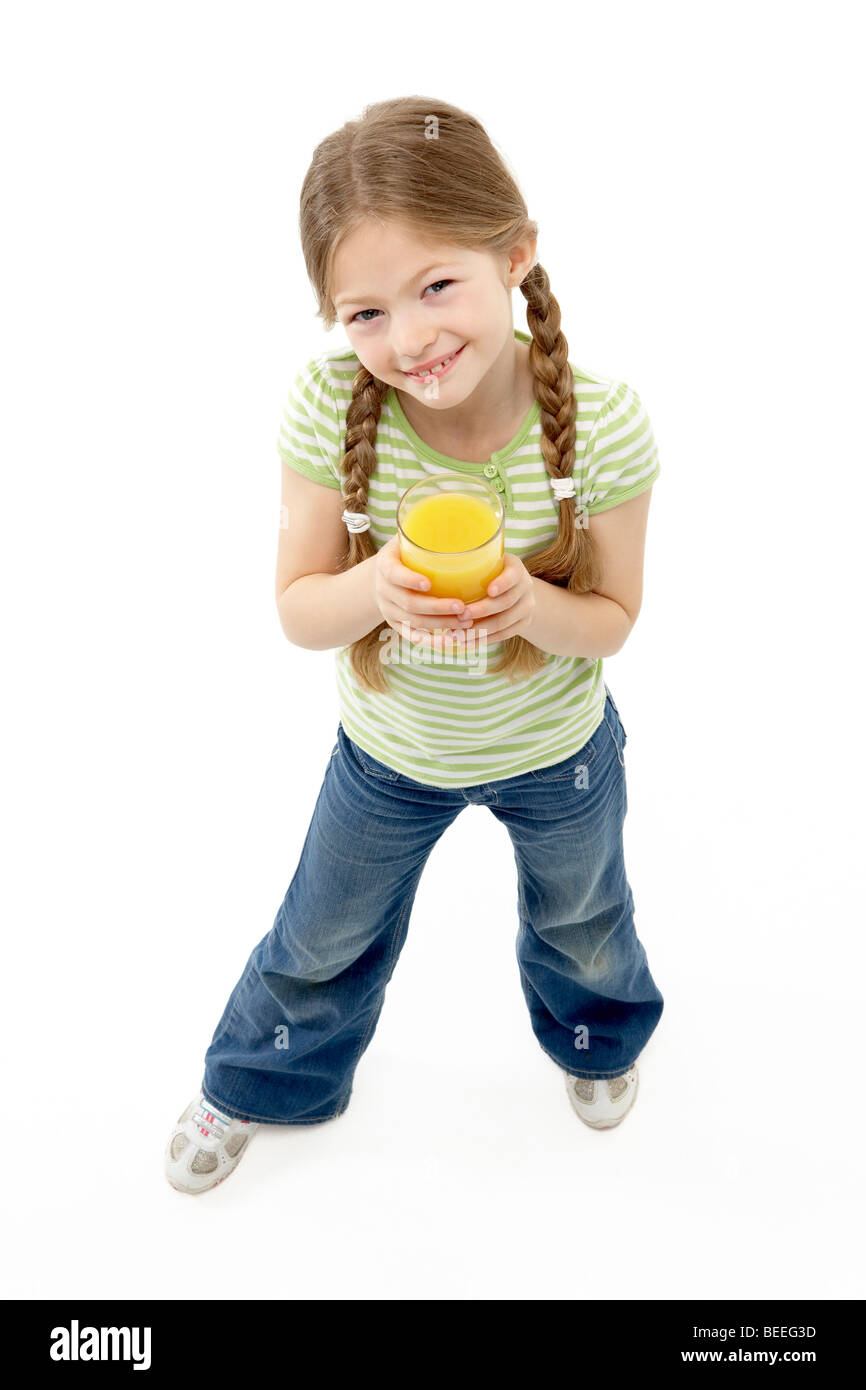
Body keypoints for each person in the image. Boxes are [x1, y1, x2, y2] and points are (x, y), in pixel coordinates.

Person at [165, 96, 664, 1195]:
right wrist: (371, 588)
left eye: (437, 286)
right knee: (318, 933)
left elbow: (616, 619)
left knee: (584, 919)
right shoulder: (326, 407)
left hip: (558, 751)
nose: (410, 340)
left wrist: (532, 611)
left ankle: (596, 1041)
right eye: (365, 313)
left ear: (514, 255)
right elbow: (299, 612)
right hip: (388, 755)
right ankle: (259, 1078)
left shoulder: (602, 420)